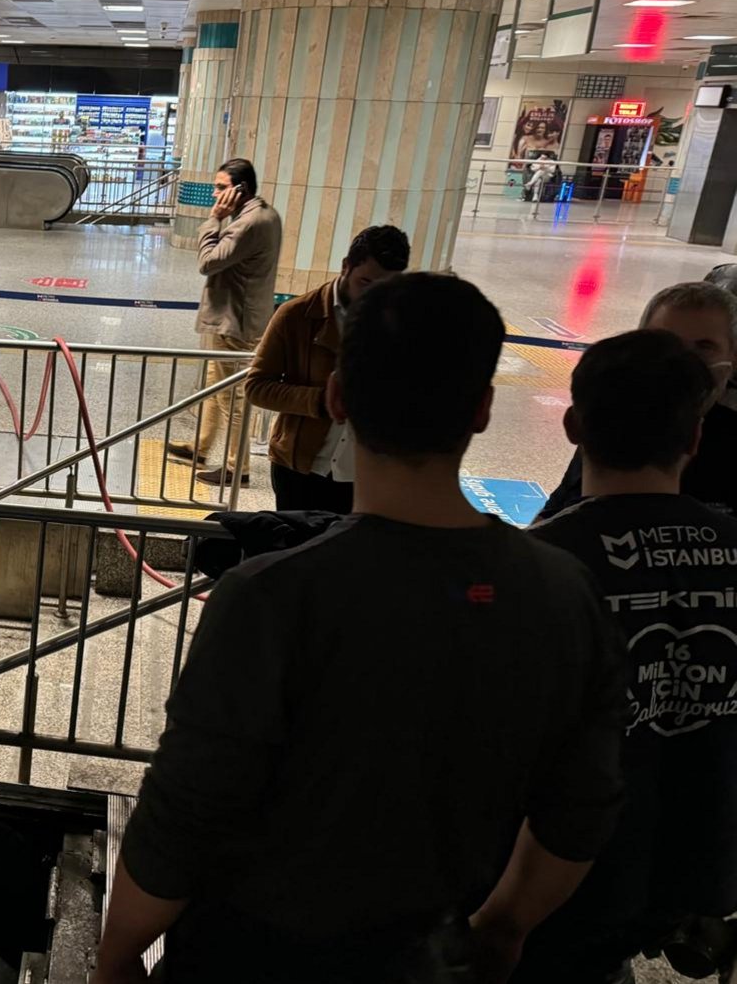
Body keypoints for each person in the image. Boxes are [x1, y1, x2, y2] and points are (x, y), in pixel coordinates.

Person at [94, 273, 626, 984]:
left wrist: (118, 952)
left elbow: (185, 814)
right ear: (483, 410)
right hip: (431, 954)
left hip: (251, 957)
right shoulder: (563, 594)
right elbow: (580, 810)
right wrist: (502, 927)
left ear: (339, 398)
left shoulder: (272, 598)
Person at [515, 330, 737, 983]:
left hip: (558, 878)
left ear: (573, 425)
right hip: (693, 864)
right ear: (694, 438)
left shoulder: (539, 566)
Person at [243, 224, 409, 513]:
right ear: (346, 267)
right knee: (296, 551)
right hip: (299, 469)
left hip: (366, 474)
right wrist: (321, 401)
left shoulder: (400, 323)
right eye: (366, 283)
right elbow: (256, 387)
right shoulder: (296, 316)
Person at [537, 282, 737, 520]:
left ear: (733, 357)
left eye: (704, 347)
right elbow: (557, 511)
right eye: (667, 342)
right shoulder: (618, 416)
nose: (684, 362)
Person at [167, 157, 283, 486]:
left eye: (221, 188)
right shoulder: (263, 214)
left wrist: (213, 221)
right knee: (214, 386)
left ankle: (237, 468)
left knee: (232, 398)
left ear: (240, 189)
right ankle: (201, 447)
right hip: (232, 317)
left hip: (235, 323)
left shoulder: (248, 223)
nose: (216, 195)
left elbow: (208, 262)